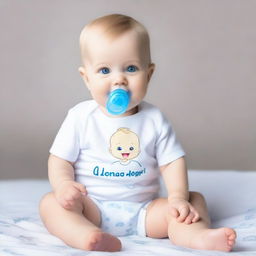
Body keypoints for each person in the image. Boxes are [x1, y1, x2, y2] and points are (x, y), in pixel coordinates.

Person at [39, 14, 236, 252]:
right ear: (86, 78)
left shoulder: (154, 119)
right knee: (51, 204)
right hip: (91, 208)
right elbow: (60, 159)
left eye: (131, 68)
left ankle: (196, 237)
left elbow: (172, 162)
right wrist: (63, 185)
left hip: (146, 211)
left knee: (194, 200)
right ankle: (86, 235)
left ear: (149, 74)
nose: (119, 80)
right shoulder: (80, 117)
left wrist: (176, 197)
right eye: (104, 70)